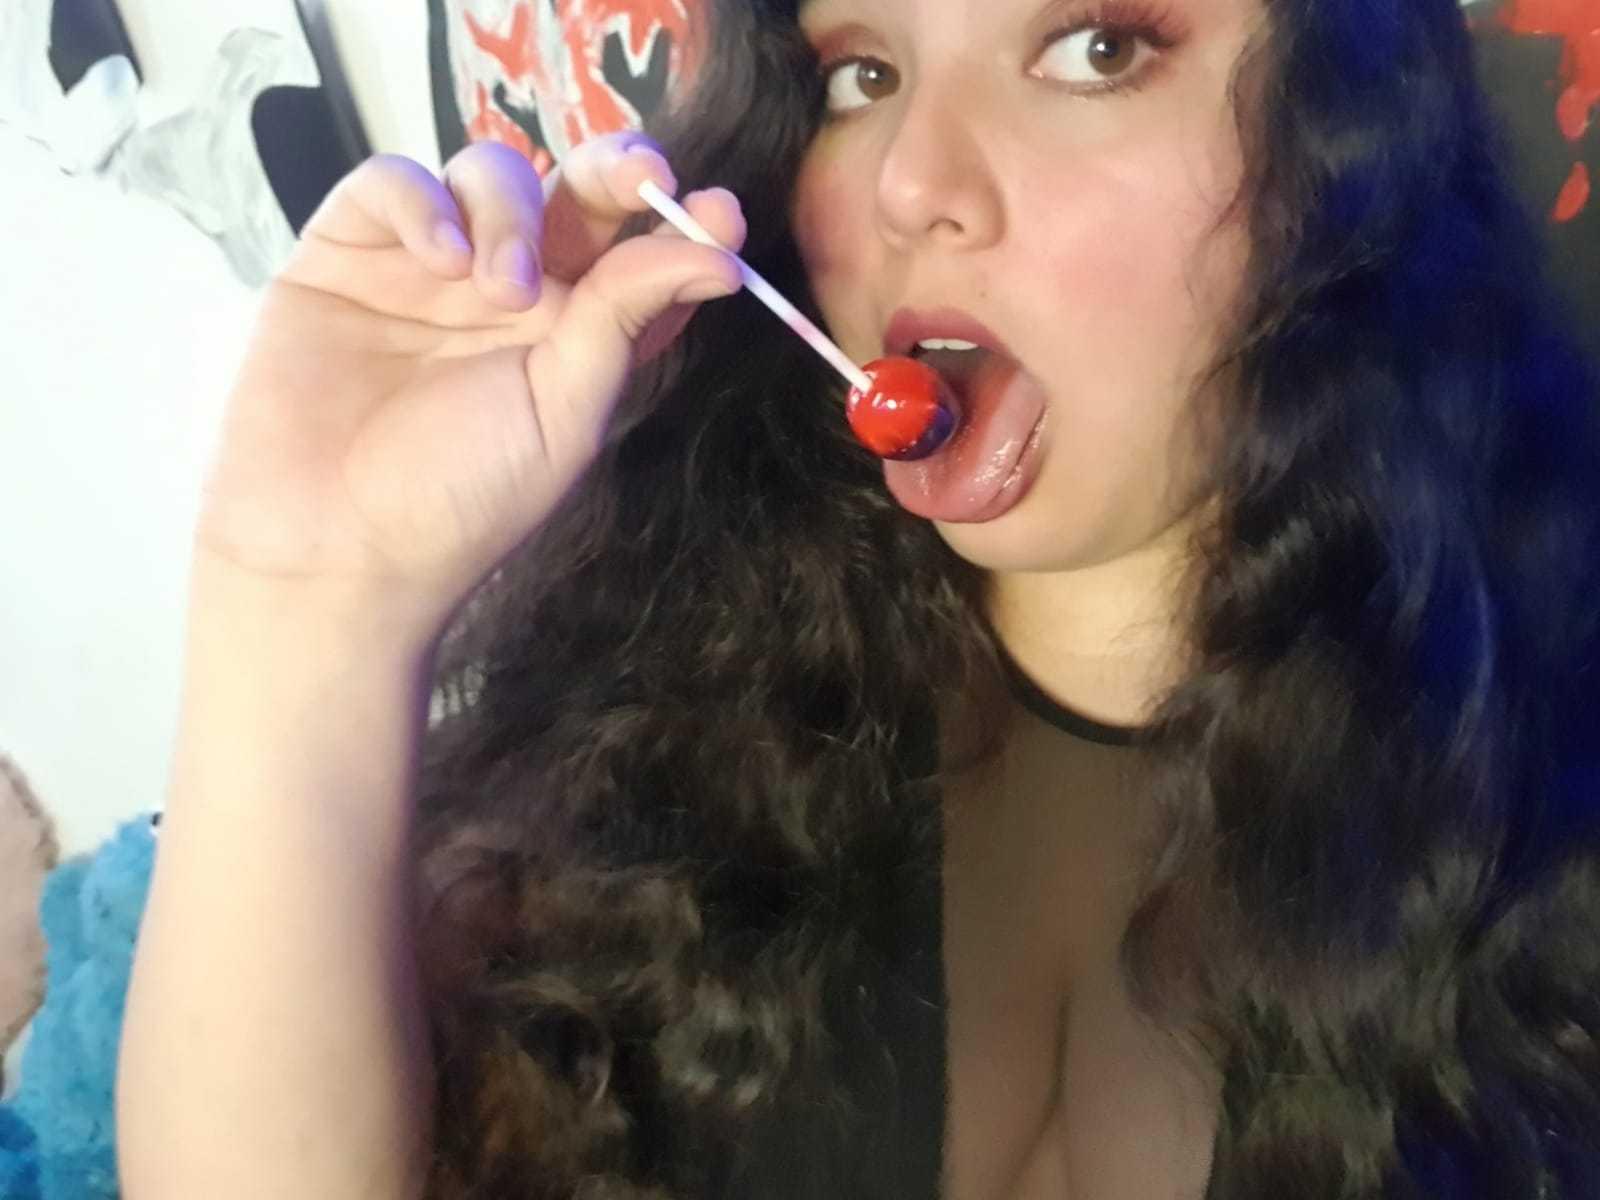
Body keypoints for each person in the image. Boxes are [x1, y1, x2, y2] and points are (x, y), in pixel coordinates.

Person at [116, 0, 1600, 1196]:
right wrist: (309, 593)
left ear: (1353, 148)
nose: (908, 184)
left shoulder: (1546, 802)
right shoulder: (665, 728)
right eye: (862, 73)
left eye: (1095, 48)